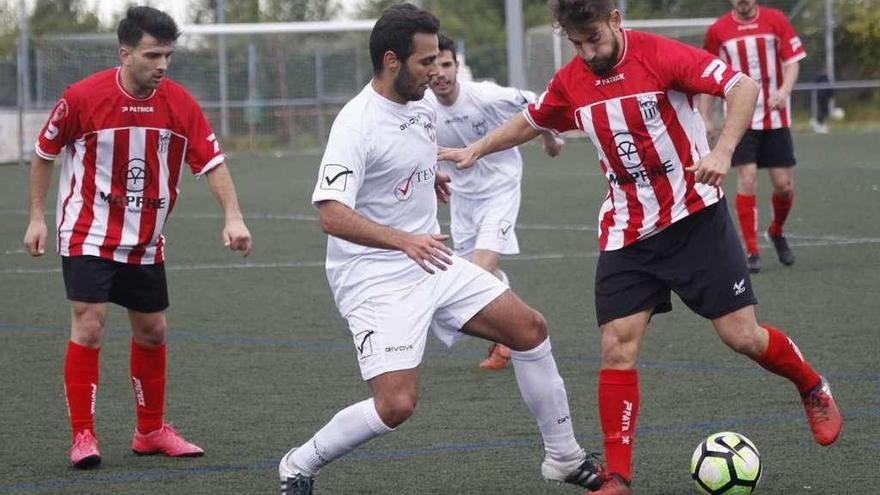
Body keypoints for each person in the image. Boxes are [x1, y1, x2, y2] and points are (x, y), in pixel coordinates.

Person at [439, 1, 842, 493]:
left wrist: (721, 151)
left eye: (594, 39)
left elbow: (743, 86)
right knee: (616, 348)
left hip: (695, 219)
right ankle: (619, 478)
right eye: (576, 43)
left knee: (742, 337)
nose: (587, 52)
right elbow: (534, 119)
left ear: (614, 19)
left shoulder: (660, 55)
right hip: (627, 230)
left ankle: (810, 385)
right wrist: (476, 149)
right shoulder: (572, 78)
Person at [277, 5, 601, 494]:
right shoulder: (355, 124)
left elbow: (409, 156)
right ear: (392, 61)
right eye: (425, 61)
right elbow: (331, 215)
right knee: (396, 405)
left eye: (437, 59)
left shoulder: (422, 104)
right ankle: (299, 463)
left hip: (430, 262)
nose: (436, 71)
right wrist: (402, 238)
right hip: (374, 277)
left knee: (529, 329)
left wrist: (429, 179)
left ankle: (563, 456)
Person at [22, 6, 252, 469]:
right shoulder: (83, 97)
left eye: (168, 55)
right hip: (87, 232)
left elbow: (211, 161)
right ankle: (83, 436)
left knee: (152, 331)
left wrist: (234, 216)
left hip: (146, 240)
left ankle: (149, 431)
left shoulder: (180, 103)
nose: (162, 65)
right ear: (125, 53)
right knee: (89, 325)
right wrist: (36, 218)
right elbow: (45, 152)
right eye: (152, 55)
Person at [425, 33, 564, 370]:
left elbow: (536, 103)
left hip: (500, 189)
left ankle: (522, 335)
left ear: (457, 66)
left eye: (446, 65)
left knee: (479, 269)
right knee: (470, 273)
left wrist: (549, 138)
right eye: (433, 68)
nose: (440, 74)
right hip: (462, 197)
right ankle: (510, 335)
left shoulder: (484, 96)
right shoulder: (423, 109)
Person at [701, 0, 805, 272]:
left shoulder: (776, 20)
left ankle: (776, 231)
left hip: (775, 117)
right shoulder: (718, 30)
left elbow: (793, 61)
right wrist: (705, 115)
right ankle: (751, 251)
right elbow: (708, 76)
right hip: (740, 119)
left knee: (784, 186)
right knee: (747, 179)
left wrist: (784, 90)